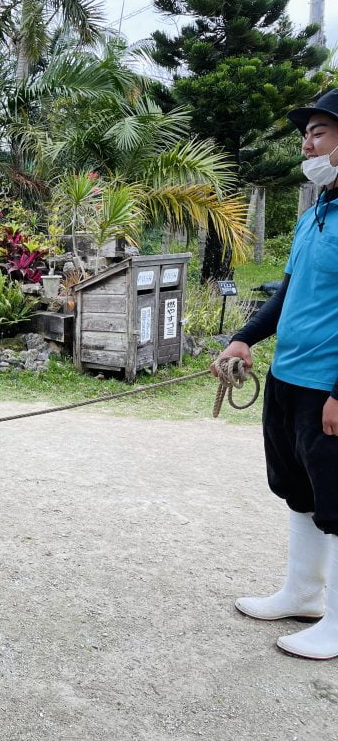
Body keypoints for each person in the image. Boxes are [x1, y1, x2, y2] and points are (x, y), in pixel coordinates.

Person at [213, 88, 338, 660]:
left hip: (328, 386)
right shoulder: (316, 213)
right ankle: (303, 593)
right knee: (299, 488)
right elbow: (287, 295)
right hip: (290, 377)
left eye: (320, 132)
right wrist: (243, 338)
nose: (307, 144)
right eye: (306, 134)